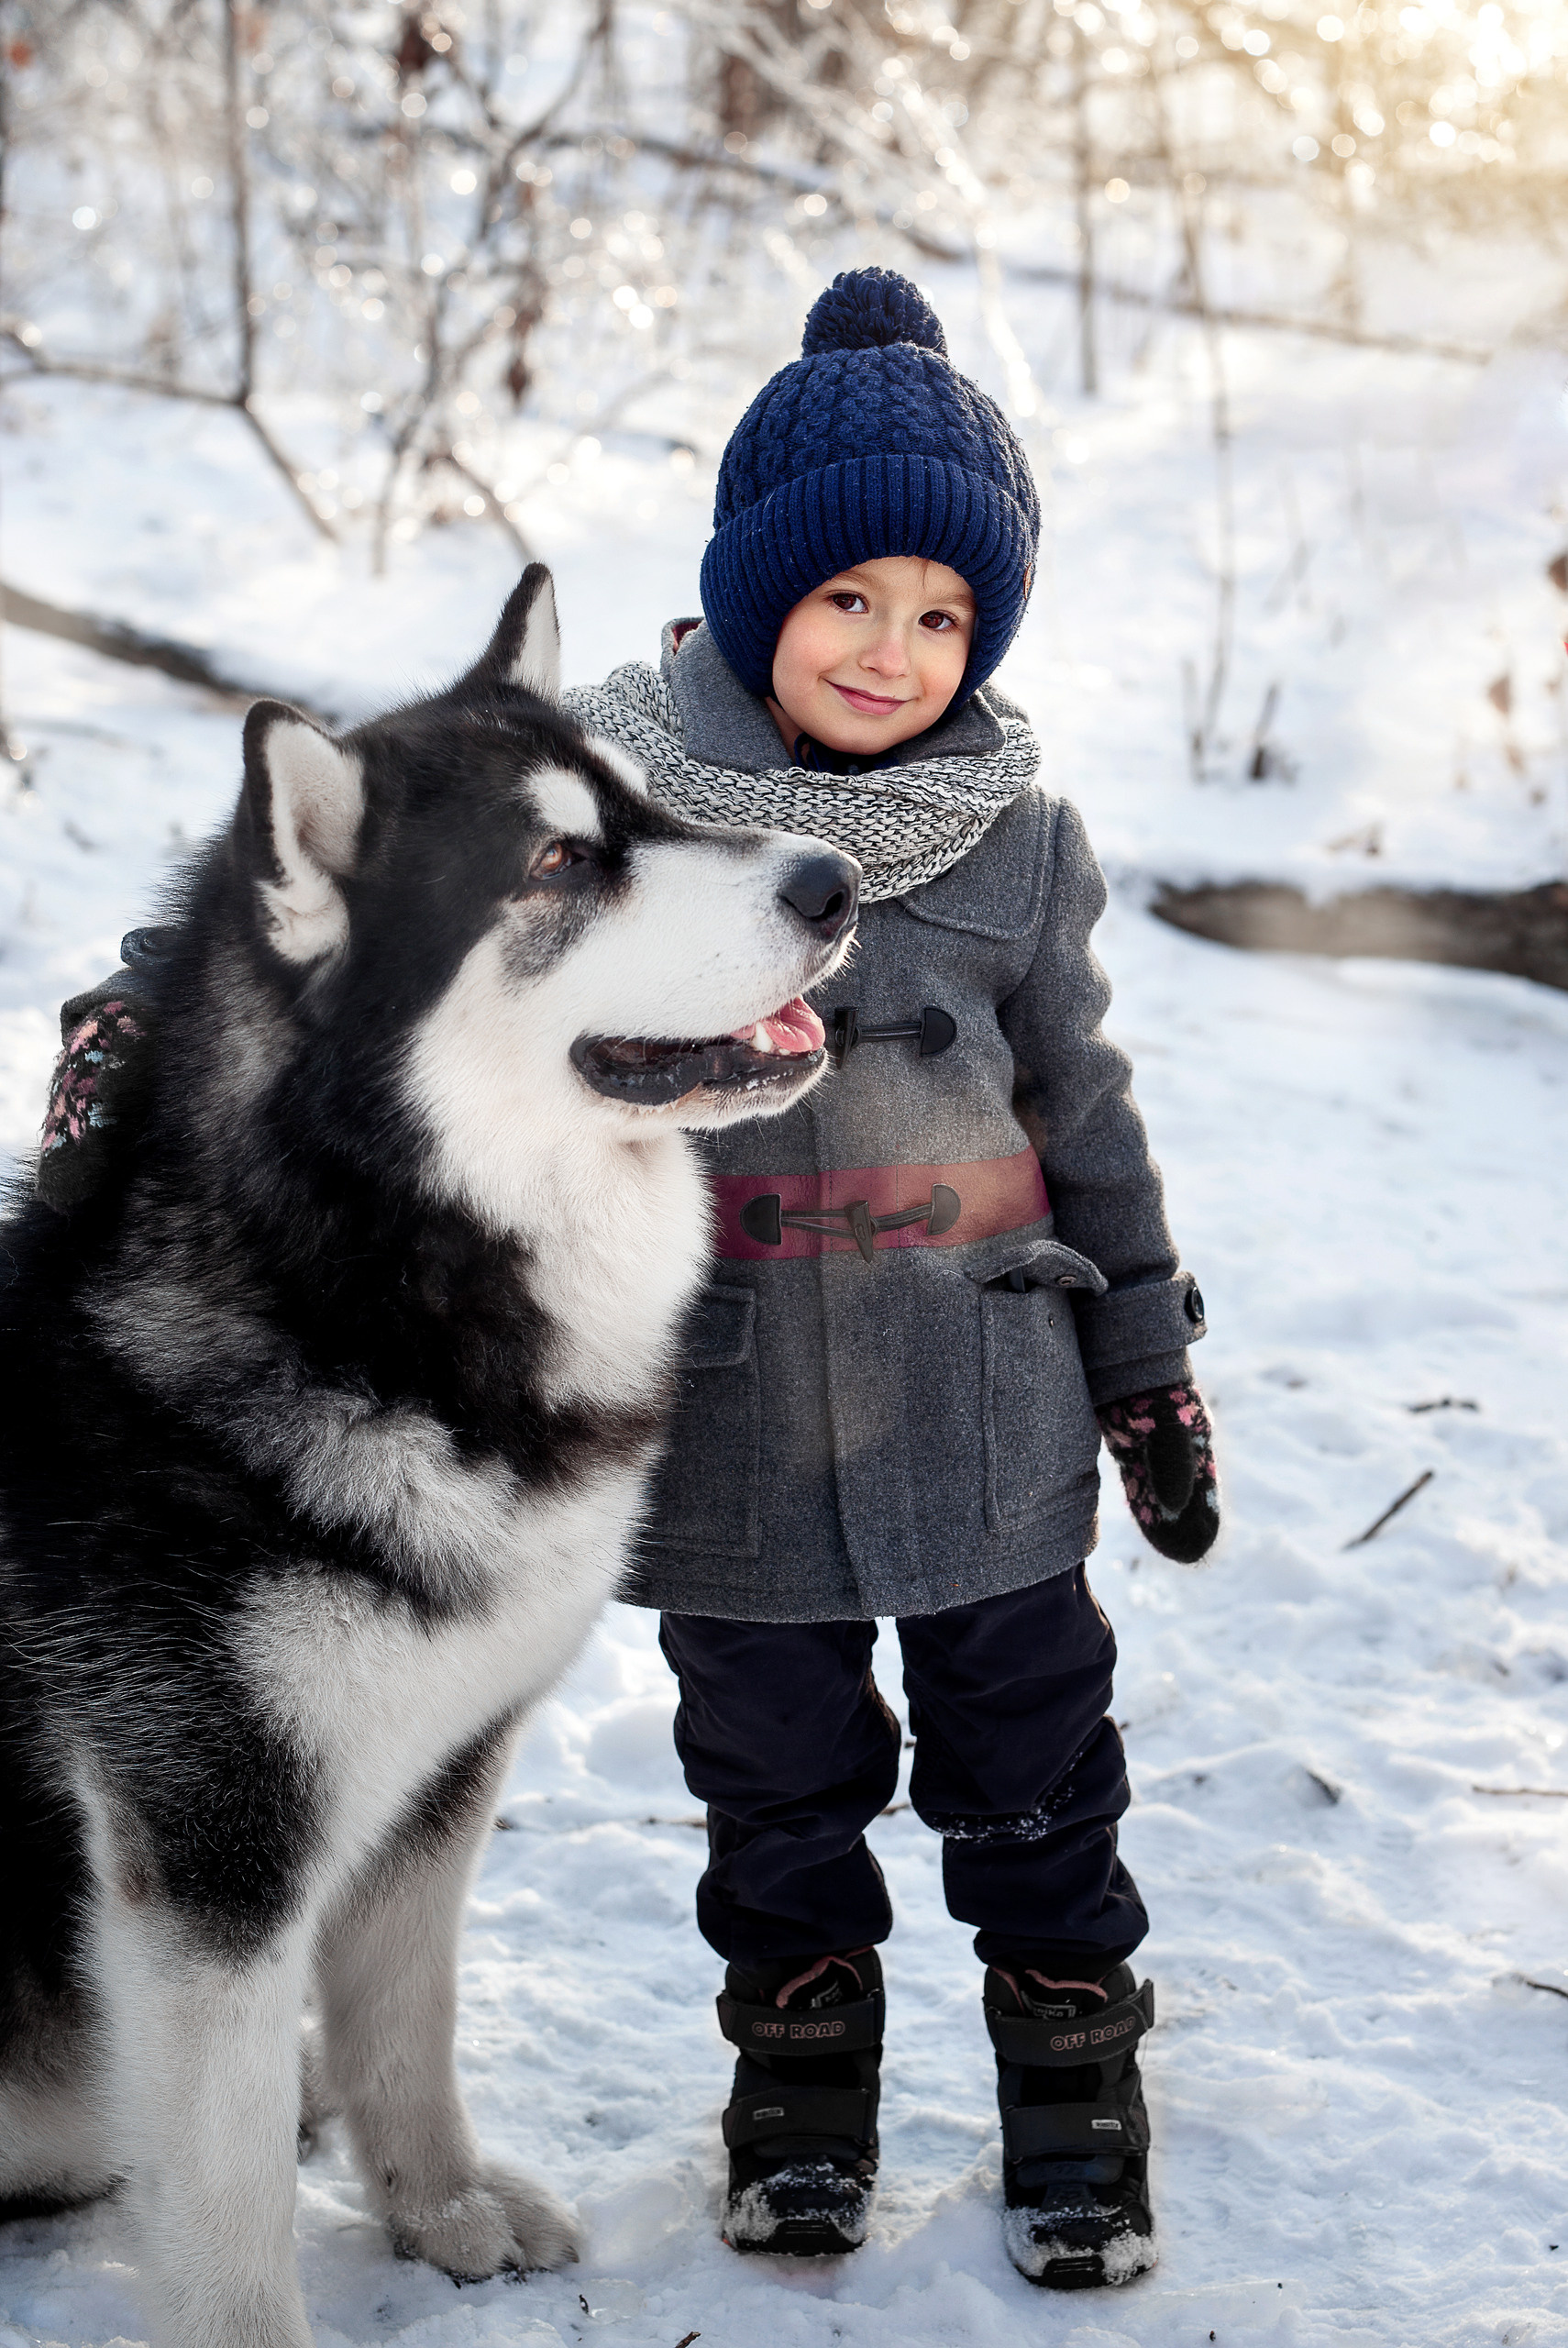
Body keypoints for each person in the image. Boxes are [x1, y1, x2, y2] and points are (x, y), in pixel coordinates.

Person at [559, 266, 1219, 2291]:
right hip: (734, 1411)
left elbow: (1085, 1117)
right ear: (760, 598)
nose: (896, 648)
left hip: (985, 1408)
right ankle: (802, 2072)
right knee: (770, 1772)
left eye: (946, 612)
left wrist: (1145, 1362)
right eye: (851, 597)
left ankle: (1073, 2073)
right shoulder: (614, 814)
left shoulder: (1014, 837)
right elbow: (398, 937)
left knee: (1034, 1762)